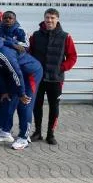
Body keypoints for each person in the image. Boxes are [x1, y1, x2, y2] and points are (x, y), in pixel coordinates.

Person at [0, 37, 43, 150]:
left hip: (30, 74)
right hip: (16, 75)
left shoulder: (3, 54)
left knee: (25, 105)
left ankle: (24, 138)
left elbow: (17, 73)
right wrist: (5, 91)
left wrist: (22, 93)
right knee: (7, 100)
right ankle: (6, 132)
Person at [29, 8, 77, 145]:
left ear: (57, 20)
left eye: (52, 18)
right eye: (47, 18)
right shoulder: (35, 36)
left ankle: (51, 134)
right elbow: (30, 54)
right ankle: (37, 132)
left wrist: (61, 68)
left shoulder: (65, 37)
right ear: (44, 18)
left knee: (54, 106)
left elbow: (72, 57)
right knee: (36, 105)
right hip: (38, 78)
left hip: (55, 79)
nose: (49, 20)